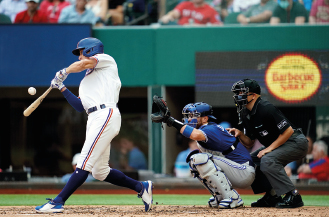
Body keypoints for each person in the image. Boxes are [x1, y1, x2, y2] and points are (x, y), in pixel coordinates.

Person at [35, 37, 153, 213]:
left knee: (84, 160)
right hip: (94, 117)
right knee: (100, 171)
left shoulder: (106, 60)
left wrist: (63, 72)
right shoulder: (86, 81)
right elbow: (79, 106)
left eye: (82, 52)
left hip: (106, 114)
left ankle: (58, 201)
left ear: (91, 50)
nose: (80, 56)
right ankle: (141, 187)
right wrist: (61, 87)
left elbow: (82, 65)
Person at [152, 101, 255, 209]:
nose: (190, 119)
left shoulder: (210, 128)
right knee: (194, 162)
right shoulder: (206, 128)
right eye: (189, 116)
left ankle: (232, 197)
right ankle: (220, 195)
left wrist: (170, 120)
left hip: (244, 171)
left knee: (200, 159)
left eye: (193, 116)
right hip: (236, 170)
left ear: (205, 118)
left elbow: (194, 134)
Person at [228, 79, 308, 208]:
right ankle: (272, 195)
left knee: (267, 159)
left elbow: (288, 131)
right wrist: (240, 134)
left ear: (254, 95)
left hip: (295, 141)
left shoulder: (266, 108)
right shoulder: (244, 113)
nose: (238, 96)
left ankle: (293, 196)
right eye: (237, 93)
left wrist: (268, 149)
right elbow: (249, 143)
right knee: (250, 160)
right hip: (279, 144)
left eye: (242, 92)